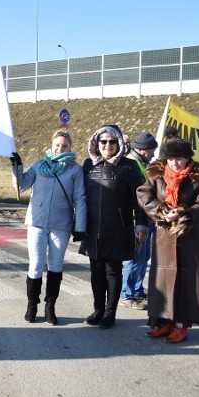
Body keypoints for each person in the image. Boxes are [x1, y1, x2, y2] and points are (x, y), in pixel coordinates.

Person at [137, 138, 199, 343]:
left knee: (187, 281)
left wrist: (183, 212)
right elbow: (144, 194)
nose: (174, 164)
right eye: (170, 159)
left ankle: (181, 326)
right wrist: (160, 210)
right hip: (164, 235)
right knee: (163, 279)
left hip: (189, 236)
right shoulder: (157, 174)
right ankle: (164, 323)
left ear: (188, 158)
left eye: (179, 159)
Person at [11, 129, 86, 325]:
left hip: (61, 225)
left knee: (55, 267)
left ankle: (50, 306)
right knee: (35, 266)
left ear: (70, 147)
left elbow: (80, 198)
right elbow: (21, 186)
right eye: (57, 145)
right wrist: (17, 168)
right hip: (37, 222)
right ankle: (32, 305)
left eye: (65, 146)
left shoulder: (75, 170)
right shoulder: (39, 165)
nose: (60, 148)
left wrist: (80, 226)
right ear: (51, 145)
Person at [81, 125, 148, 328]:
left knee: (113, 271)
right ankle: (98, 310)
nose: (108, 145)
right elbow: (79, 195)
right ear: (96, 144)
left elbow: (142, 199)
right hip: (93, 228)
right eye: (103, 142)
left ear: (118, 143)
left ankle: (110, 313)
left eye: (112, 141)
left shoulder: (128, 166)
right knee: (96, 271)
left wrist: (141, 226)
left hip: (118, 227)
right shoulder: (88, 165)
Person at [120, 132, 158, 309]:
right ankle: (126, 294)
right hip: (137, 219)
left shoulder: (142, 163)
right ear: (143, 151)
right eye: (151, 151)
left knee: (143, 257)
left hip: (147, 216)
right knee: (135, 257)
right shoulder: (131, 164)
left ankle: (136, 290)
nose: (153, 154)